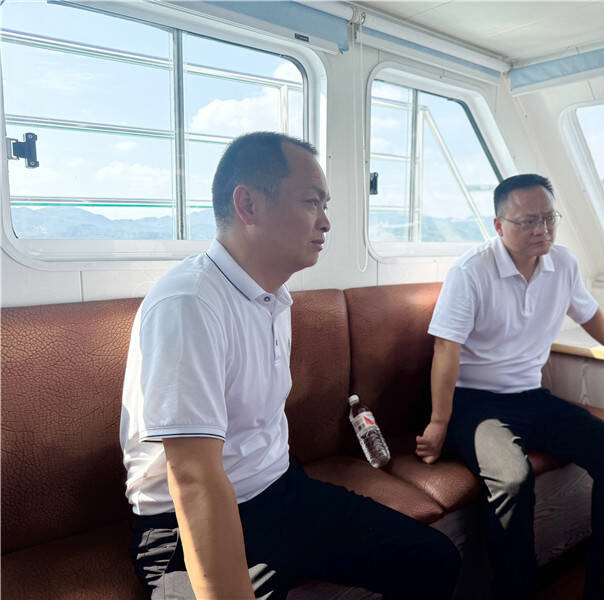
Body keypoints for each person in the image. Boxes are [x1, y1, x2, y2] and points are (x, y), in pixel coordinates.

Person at [120, 132, 460, 600]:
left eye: (325, 205)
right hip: (179, 523)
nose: (326, 222)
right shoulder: (189, 303)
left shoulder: (273, 297)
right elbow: (195, 480)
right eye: (311, 202)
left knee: (435, 560)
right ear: (248, 205)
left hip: (279, 491)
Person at [415, 173, 604, 599]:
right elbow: (445, 348)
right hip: (474, 403)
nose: (542, 229)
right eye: (528, 221)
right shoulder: (470, 271)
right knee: (513, 481)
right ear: (499, 225)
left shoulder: (562, 263)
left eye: (548, 218)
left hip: (531, 396)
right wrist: (439, 422)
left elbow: (587, 311)